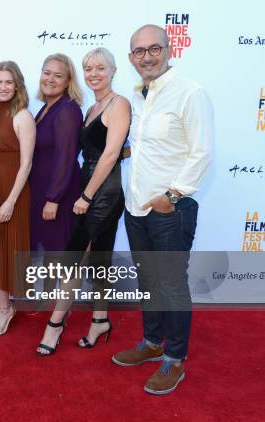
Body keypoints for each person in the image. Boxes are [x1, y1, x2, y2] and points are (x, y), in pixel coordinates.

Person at [111, 24, 213, 395]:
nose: (147, 57)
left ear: (170, 50)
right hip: (136, 209)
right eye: (139, 51)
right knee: (149, 282)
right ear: (131, 58)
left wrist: (171, 196)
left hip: (170, 209)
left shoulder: (190, 93)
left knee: (171, 285)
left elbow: (202, 152)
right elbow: (141, 148)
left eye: (154, 49)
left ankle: (175, 360)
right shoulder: (138, 96)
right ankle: (152, 345)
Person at [35, 48, 130, 356]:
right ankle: (100, 319)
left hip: (101, 194)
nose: (93, 74)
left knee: (73, 262)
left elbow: (111, 154)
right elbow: (113, 149)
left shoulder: (119, 104)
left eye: (100, 68)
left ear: (113, 71)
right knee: (100, 260)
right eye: (88, 69)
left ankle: (54, 326)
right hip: (90, 189)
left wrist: (87, 196)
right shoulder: (92, 108)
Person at [0, 61, 36, 336]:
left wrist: (11, 201)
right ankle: (5, 305)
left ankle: (3, 308)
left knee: (8, 248)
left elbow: (26, 164)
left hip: (13, 193)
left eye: (8, 82)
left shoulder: (22, 116)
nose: (3, 87)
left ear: (17, 86)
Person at [29, 53, 82, 255]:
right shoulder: (46, 108)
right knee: (50, 258)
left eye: (58, 76)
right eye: (47, 73)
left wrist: (54, 199)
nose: (50, 79)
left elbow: (66, 158)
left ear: (68, 82)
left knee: (61, 256)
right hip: (42, 191)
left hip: (58, 197)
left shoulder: (68, 109)